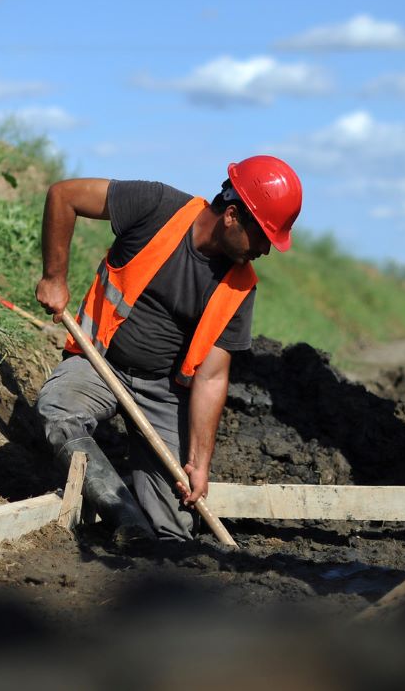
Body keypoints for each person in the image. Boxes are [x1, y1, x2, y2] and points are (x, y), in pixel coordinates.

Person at [33, 157, 302, 543]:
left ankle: (150, 531)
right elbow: (64, 196)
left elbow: (211, 376)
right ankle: (125, 517)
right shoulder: (157, 206)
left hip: (162, 391)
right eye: (262, 236)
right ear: (231, 215)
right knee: (59, 411)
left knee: (176, 525)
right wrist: (54, 277)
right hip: (99, 359)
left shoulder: (241, 286)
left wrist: (199, 461)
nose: (266, 250)